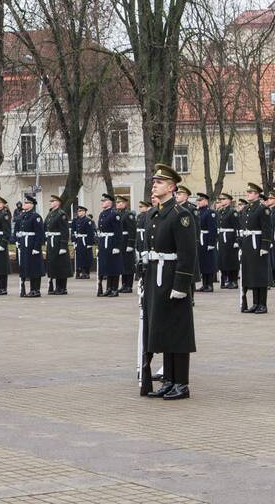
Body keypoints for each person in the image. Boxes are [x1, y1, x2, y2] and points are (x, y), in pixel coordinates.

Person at [142, 164, 197, 400]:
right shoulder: (155, 214)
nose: (155, 185)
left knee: (178, 331)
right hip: (156, 277)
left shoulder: (180, 215)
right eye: (154, 182)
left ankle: (181, 383)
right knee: (163, 329)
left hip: (173, 277)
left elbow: (187, 253)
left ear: (172, 187)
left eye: (160, 182)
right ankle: (169, 380)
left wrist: (181, 286)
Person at [238, 183, 273, 314]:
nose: (248, 194)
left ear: (257, 194)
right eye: (248, 192)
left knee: (260, 274)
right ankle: (255, 303)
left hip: (257, 244)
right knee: (251, 274)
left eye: (251, 192)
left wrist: (265, 246)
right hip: (248, 245)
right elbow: (243, 228)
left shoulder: (262, 209)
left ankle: (262, 304)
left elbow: (267, 229)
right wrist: (241, 245)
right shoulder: (247, 209)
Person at [17, 195, 45, 296]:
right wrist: (19, 241)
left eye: (26, 203)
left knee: (34, 267)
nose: (24, 204)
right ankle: (29, 288)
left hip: (32, 244)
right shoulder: (24, 216)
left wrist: (37, 247)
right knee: (27, 266)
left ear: (31, 205)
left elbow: (39, 233)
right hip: (25, 244)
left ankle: (35, 289)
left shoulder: (35, 217)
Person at [96, 194, 123, 297]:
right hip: (104, 242)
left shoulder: (114, 214)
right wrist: (99, 245)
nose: (102, 202)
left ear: (110, 202)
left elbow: (118, 231)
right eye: (102, 201)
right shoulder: (103, 214)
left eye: (105, 201)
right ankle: (108, 288)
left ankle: (114, 289)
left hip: (111, 242)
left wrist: (117, 246)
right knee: (106, 265)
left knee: (113, 266)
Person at [44, 195, 70, 294]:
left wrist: (63, 245)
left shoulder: (61, 214)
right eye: (51, 201)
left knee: (61, 265)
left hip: (59, 241)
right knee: (53, 264)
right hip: (51, 241)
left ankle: (62, 287)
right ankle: (56, 287)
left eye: (53, 201)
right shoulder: (51, 213)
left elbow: (65, 231)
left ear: (58, 203)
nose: (51, 202)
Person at [215, 194, 239, 289]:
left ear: (229, 200)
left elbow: (237, 227)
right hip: (222, 238)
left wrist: (237, 240)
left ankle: (234, 280)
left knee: (232, 259)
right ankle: (226, 279)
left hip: (230, 238)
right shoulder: (221, 211)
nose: (221, 201)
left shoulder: (232, 212)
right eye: (220, 199)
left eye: (224, 199)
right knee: (223, 259)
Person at [195, 193, 217, 292]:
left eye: (201, 200)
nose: (198, 202)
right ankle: (204, 284)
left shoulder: (210, 212)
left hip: (207, 238)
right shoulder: (197, 212)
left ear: (206, 201)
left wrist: (211, 243)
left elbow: (212, 229)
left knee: (209, 262)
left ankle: (210, 284)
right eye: (198, 200)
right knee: (202, 262)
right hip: (200, 239)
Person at [117, 196, 136, 293]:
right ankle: (124, 284)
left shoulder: (129, 215)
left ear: (125, 204)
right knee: (123, 264)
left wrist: (130, 244)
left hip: (127, 241)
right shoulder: (118, 214)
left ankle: (129, 286)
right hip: (121, 242)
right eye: (117, 202)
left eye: (121, 202)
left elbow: (132, 230)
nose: (118, 204)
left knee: (129, 265)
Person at [71, 204, 95, 280]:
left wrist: (90, 243)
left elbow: (90, 233)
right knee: (79, 257)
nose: (79, 212)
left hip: (85, 240)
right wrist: (74, 241)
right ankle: (79, 271)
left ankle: (86, 272)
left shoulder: (88, 221)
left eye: (81, 211)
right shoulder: (77, 220)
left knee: (86, 257)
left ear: (84, 212)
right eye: (78, 211)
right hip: (79, 240)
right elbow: (74, 231)